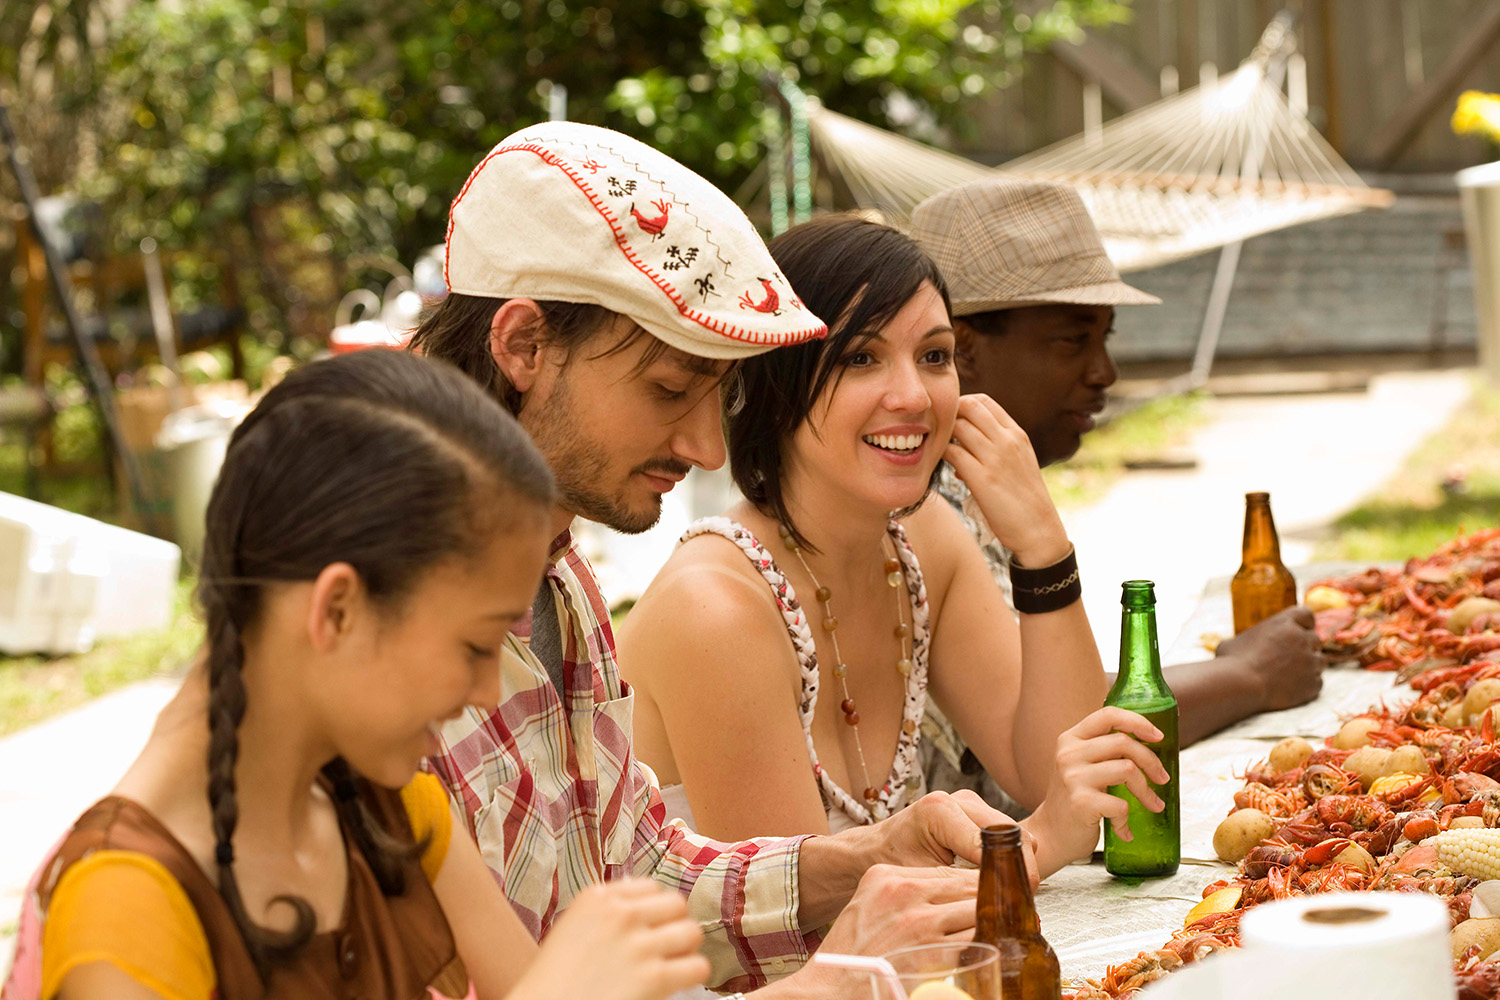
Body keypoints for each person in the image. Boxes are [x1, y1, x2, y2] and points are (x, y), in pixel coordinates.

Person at [411, 121, 1029, 999]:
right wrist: (828, 982)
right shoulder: (388, 627)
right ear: (523, 347)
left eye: (718, 396)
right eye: (668, 389)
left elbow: (638, 870)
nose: (708, 447)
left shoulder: (563, 579)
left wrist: (865, 858)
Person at [30, 350, 713, 1000]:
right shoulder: (125, 909)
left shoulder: (392, 808)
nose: (483, 692)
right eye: (475, 645)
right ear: (338, 610)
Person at [617, 215, 1166, 874]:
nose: (912, 396)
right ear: (776, 379)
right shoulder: (713, 610)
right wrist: (1037, 845)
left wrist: (1044, 550)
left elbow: (1059, 774)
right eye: (861, 359)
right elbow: (800, 932)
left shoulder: (920, 537)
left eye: (933, 357)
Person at [906, 178, 1325, 801]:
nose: (1105, 371)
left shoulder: (970, 484)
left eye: (1106, 338)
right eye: (1073, 340)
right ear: (962, 349)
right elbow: (1057, 741)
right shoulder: (927, 505)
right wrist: (1249, 676)